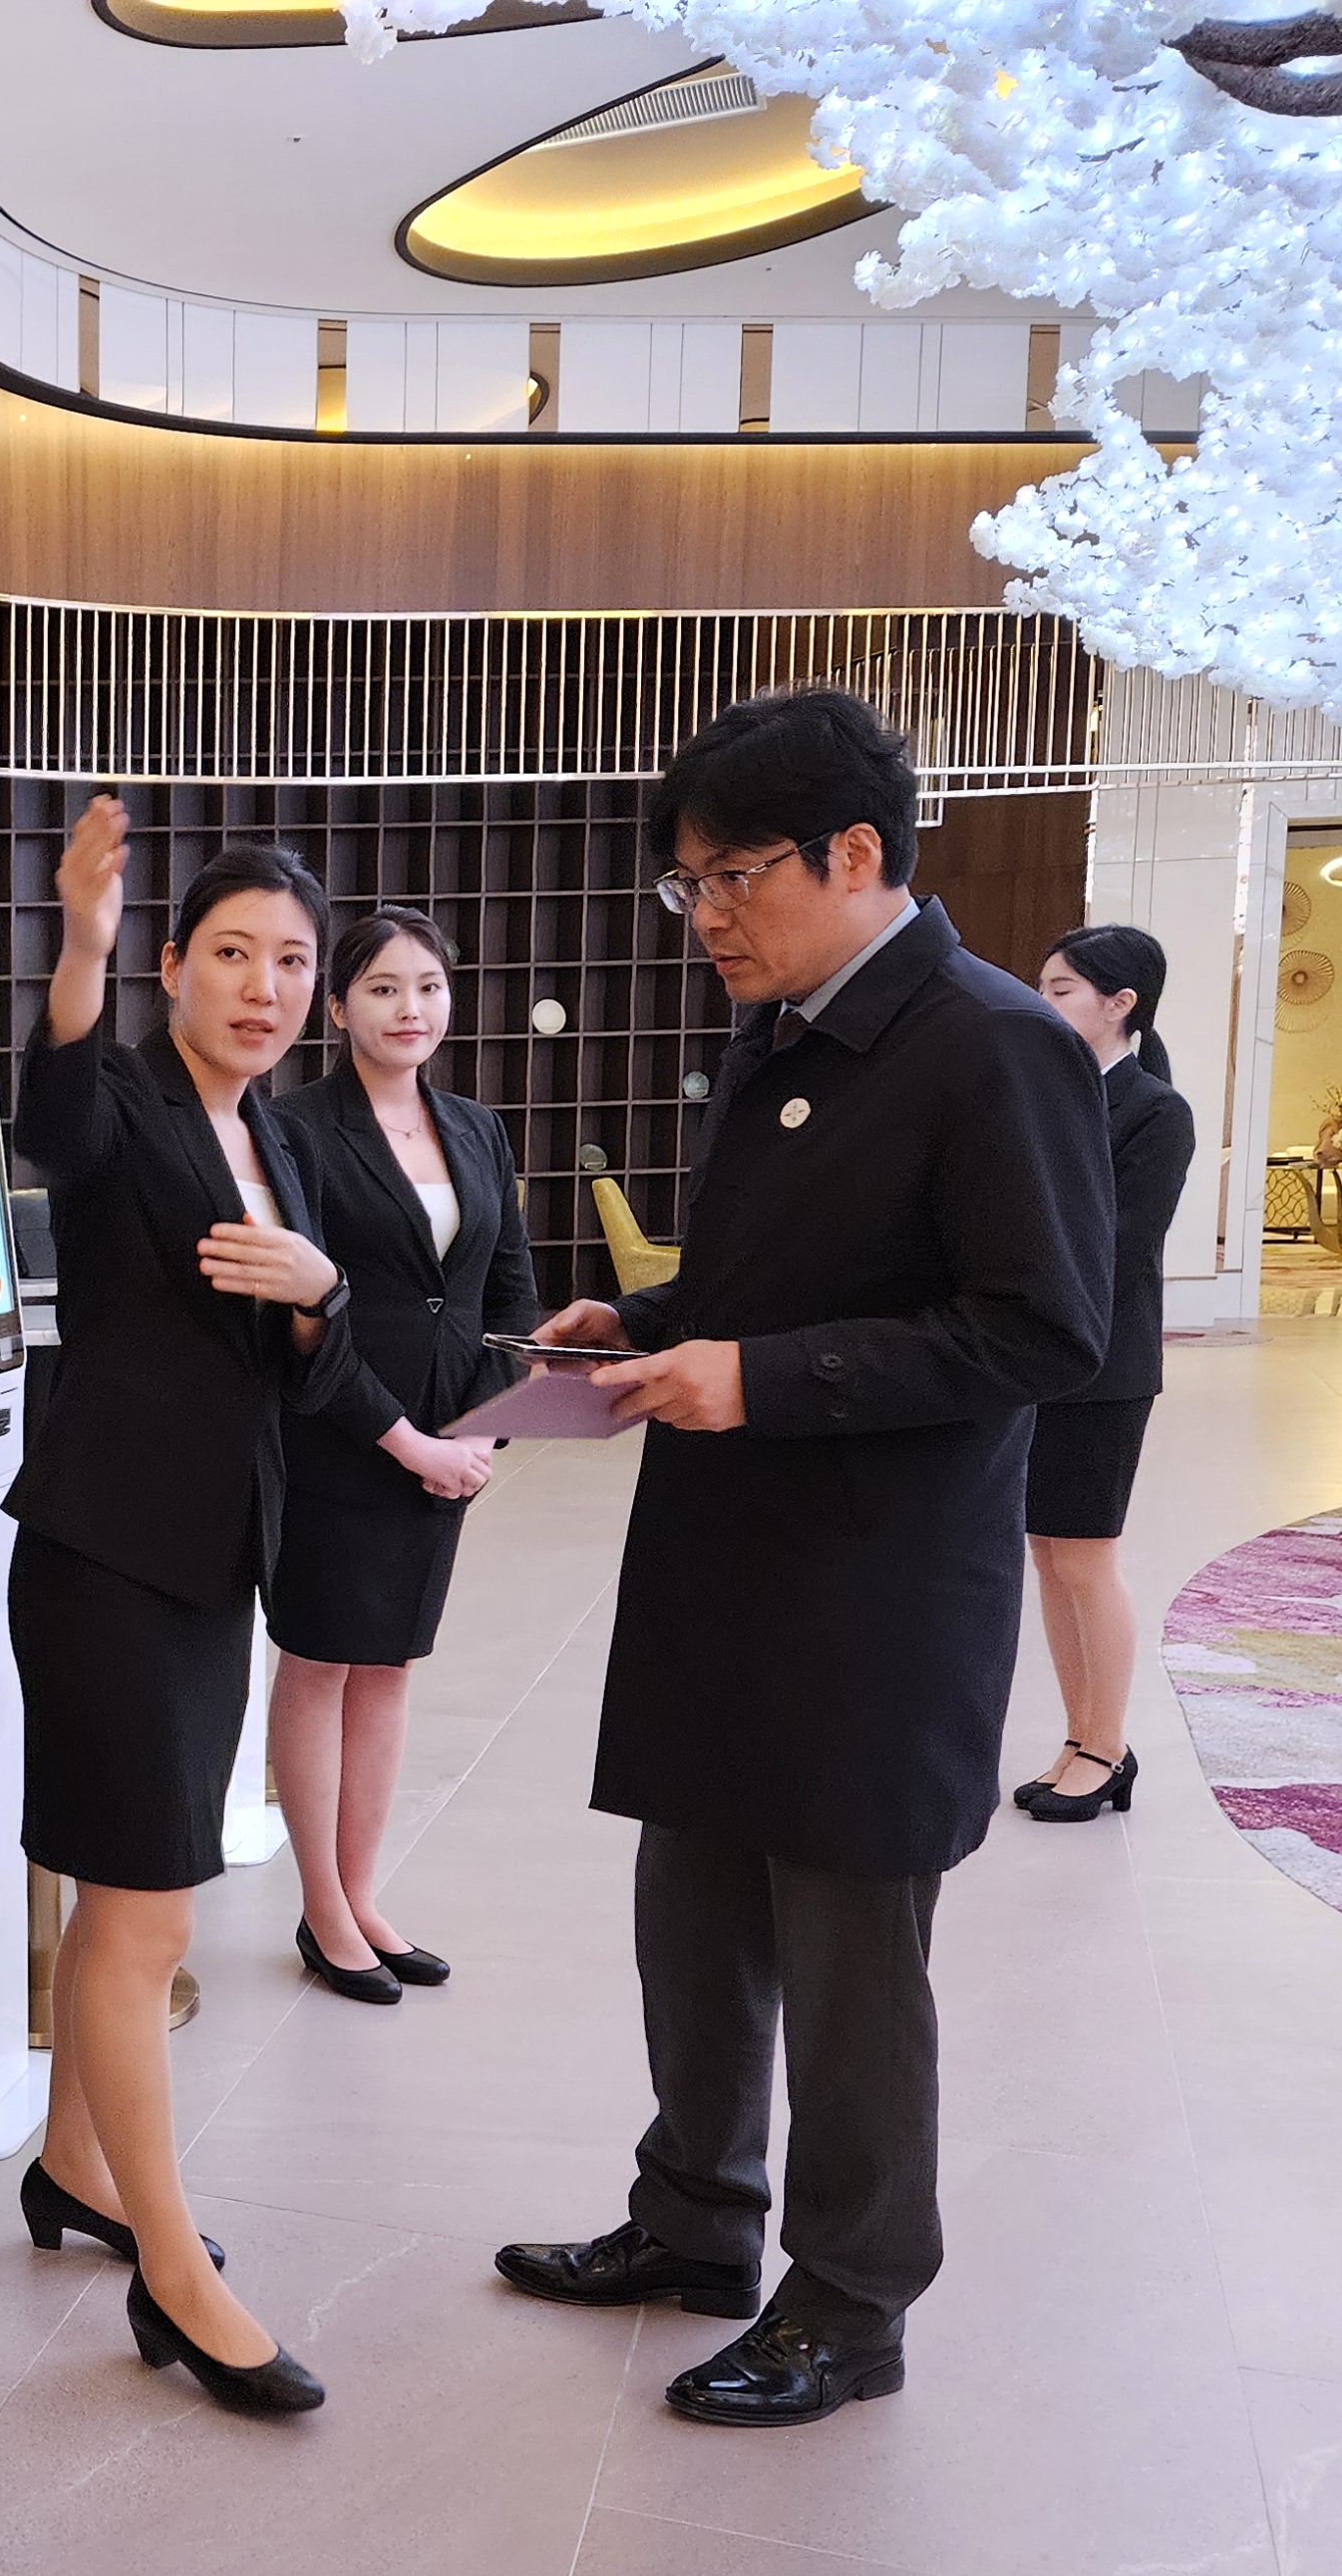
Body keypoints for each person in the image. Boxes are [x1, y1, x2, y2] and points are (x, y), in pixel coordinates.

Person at [491, 688, 1110, 2428]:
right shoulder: (780, 1031)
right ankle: (697, 2219)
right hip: (730, 1561)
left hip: (875, 1589)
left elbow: (1039, 1330)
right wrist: (657, 1321)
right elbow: (805, 1269)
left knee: (848, 1966)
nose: (706, 915)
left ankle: (851, 2301)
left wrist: (757, 1378)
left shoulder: (992, 1044)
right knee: (693, 1917)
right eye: (686, 884)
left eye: (732, 875)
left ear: (856, 853)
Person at [7, 809, 357, 2421]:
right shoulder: (130, 1102)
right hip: (107, 1558)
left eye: (290, 961)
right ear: (171, 968)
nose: (264, 986)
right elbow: (54, 1120)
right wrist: (77, 944)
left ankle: (75, 2168)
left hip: (214, 1563)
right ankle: (170, 2267)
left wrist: (325, 1298)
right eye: (231, 953)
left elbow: (313, 1363)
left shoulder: (280, 1140)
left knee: (128, 1898)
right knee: (149, 1916)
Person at [265, 907, 542, 2000]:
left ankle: (363, 1893)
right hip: (342, 1434)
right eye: (382, 988)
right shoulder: (294, 1130)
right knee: (321, 1661)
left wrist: (479, 1429)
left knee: (390, 1665)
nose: (410, 1008)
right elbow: (303, 1320)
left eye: (427, 986)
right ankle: (322, 1909)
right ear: (337, 1009)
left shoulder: (476, 1127)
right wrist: (407, 1441)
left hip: (446, 1445)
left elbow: (507, 1292)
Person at [1013, 925, 1199, 1824]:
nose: (1042, 1003)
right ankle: (1080, 1736)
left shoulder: (1156, 1111)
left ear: (1121, 1003)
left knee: (1085, 1558)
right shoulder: (1043, 1092)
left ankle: (1108, 1745)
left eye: (1061, 990)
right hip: (1032, 1355)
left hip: (1103, 1362)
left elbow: (1120, 1246)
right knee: (1049, 1556)